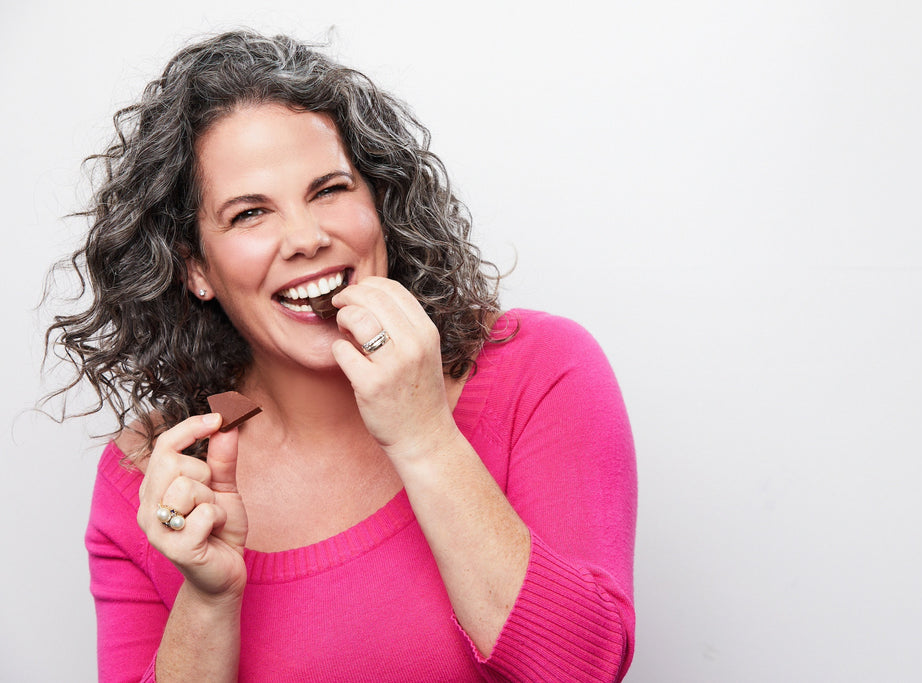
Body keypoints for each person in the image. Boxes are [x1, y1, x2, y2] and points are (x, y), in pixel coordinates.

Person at [47, 29, 636, 682]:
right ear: (195, 268)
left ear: (378, 202)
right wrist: (207, 603)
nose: (305, 238)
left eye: (329, 189)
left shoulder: (541, 370)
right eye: (249, 214)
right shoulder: (153, 476)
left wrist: (426, 439)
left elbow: (584, 669)